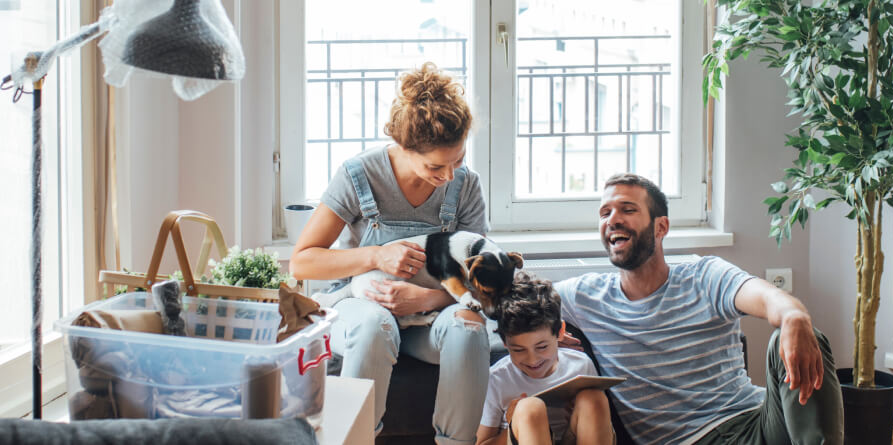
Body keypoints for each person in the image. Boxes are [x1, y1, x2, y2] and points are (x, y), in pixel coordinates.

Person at [553, 173, 844, 445]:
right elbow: (514, 303)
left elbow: (769, 297)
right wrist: (548, 331)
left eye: (627, 210)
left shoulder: (705, 276)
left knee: (802, 335)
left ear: (660, 227)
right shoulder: (585, 297)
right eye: (605, 213)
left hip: (757, 425)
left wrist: (794, 316)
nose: (613, 220)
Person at [290, 62, 490, 445]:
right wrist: (377, 257)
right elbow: (304, 259)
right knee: (372, 328)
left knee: (468, 329)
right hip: (359, 305)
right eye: (436, 165)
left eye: (458, 160)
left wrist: (429, 297)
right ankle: (352, 439)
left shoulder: (465, 186)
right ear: (403, 147)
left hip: (432, 316)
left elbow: (478, 276)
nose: (449, 176)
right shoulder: (358, 175)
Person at [476, 273, 614, 445]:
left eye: (542, 347)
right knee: (529, 408)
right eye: (518, 350)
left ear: (560, 332)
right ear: (504, 342)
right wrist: (511, 426)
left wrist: (577, 414)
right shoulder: (497, 379)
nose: (532, 360)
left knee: (593, 399)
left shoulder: (580, 365)